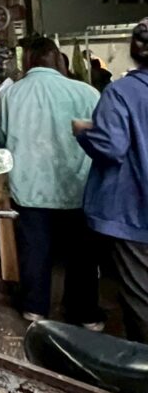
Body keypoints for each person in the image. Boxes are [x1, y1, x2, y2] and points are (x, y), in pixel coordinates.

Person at [0, 37, 101, 328]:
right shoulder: (87, 92)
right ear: (57, 59)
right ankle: (85, 314)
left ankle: (35, 309)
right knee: (81, 254)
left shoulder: (8, 96)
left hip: (30, 188)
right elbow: (102, 138)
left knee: (35, 249)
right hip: (79, 187)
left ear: (27, 61)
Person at [76, 18, 148, 342]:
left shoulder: (121, 92)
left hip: (133, 211)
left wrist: (85, 131)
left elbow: (111, 147)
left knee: (141, 300)